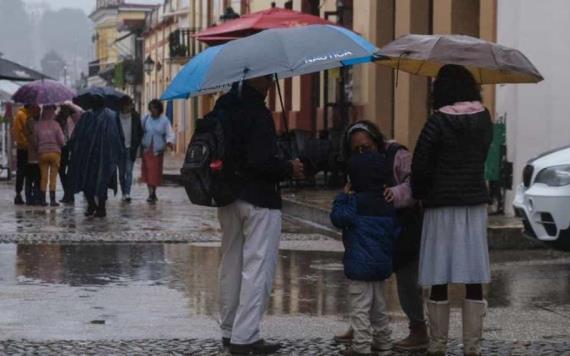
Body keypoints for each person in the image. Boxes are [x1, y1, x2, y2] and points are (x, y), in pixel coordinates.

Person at [215, 77, 304, 355]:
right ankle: (246, 335)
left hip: (228, 197)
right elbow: (262, 162)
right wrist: (289, 167)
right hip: (259, 200)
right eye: (267, 77)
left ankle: (230, 331)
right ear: (259, 79)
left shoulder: (223, 107)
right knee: (258, 267)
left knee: (230, 263)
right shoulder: (257, 113)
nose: (270, 82)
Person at [411, 64, 493, 356]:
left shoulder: (437, 122)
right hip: (472, 204)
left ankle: (438, 344)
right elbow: (483, 153)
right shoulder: (484, 118)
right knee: (473, 276)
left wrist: (420, 194)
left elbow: (420, 164)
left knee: (439, 275)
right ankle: (472, 346)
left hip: (441, 204)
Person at [334, 121, 428, 352]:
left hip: (403, 222)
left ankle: (418, 329)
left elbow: (416, 182)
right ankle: (365, 332)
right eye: (356, 150)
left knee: (406, 280)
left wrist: (394, 194)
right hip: (380, 227)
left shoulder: (398, 155)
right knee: (373, 296)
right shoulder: (360, 166)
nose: (362, 154)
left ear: (377, 142)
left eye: (366, 147)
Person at [330, 130, 400, 356]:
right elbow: (396, 230)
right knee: (378, 307)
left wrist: (343, 196)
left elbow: (338, 218)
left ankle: (360, 347)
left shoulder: (354, 202)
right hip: (381, 266)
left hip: (359, 266)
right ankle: (384, 343)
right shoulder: (386, 202)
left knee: (360, 307)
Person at [68, 95, 124, 218]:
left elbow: (116, 135)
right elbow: (78, 134)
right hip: (88, 156)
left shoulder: (110, 116)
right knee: (87, 182)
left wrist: (118, 152)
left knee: (101, 182)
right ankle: (93, 205)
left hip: (104, 155)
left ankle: (101, 208)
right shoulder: (87, 116)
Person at [141, 99, 174, 204]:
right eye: (151, 108)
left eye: (155, 108)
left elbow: (170, 132)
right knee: (147, 171)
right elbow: (140, 131)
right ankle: (150, 193)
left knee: (154, 172)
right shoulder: (146, 119)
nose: (153, 111)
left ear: (159, 109)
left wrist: (169, 142)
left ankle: (153, 192)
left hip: (157, 150)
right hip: (147, 149)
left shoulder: (164, 120)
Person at [35, 105, 65, 207]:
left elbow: (35, 140)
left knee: (43, 177)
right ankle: (52, 200)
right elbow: (61, 140)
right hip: (55, 153)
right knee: (53, 177)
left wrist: (39, 148)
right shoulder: (56, 124)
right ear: (53, 112)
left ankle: (43, 200)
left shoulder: (38, 125)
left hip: (42, 153)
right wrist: (61, 145)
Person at [55, 101, 84, 204]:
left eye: (66, 108)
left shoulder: (76, 117)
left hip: (74, 147)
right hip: (63, 147)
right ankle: (68, 193)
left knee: (72, 172)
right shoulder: (58, 119)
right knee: (62, 171)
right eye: (63, 108)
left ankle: (69, 194)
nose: (65, 110)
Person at [12, 104, 39, 205]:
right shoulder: (23, 115)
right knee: (23, 171)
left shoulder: (23, 114)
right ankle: (19, 194)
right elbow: (27, 132)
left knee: (26, 171)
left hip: (24, 147)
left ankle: (25, 195)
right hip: (24, 148)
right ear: (30, 107)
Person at [117, 96, 143, 202]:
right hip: (120, 148)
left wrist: (136, 144)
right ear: (123, 105)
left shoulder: (135, 116)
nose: (129, 106)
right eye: (128, 104)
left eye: (130, 104)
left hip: (130, 148)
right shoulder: (116, 117)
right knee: (122, 173)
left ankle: (127, 193)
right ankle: (123, 192)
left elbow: (140, 132)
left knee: (129, 171)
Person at [24, 107, 41, 206]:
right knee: (33, 177)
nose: (39, 112)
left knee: (35, 177)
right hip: (33, 155)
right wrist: (39, 146)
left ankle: (33, 197)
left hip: (35, 155)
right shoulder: (30, 121)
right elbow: (32, 137)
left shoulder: (33, 120)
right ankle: (32, 197)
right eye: (37, 111)